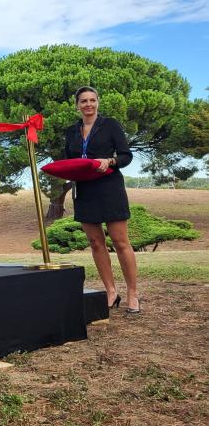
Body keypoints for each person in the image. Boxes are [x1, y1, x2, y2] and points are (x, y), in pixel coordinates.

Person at [65, 86, 140, 313]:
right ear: (77, 105)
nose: (88, 105)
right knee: (96, 243)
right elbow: (70, 159)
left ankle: (133, 293)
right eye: (83, 101)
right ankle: (110, 291)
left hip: (109, 188)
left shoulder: (111, 125)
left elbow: (126, 155)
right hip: (85, 190)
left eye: (92, 100)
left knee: (120, 242)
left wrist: (111, 161)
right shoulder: (71, 131)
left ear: (98, 102)